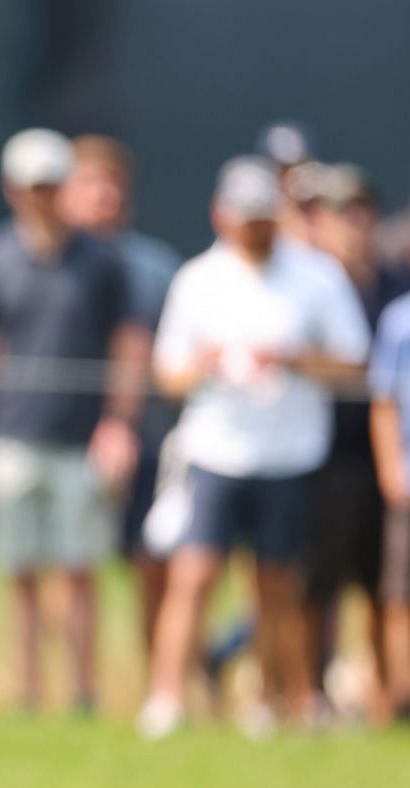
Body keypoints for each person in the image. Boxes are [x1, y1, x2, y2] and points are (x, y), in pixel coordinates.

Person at [137, 158, 370, 739]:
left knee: (277, 585)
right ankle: (165, 698)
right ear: (223, 216)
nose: (256, 230)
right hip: (215, 451)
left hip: (289, 454)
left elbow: (353, 361)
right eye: (246, 219)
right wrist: (211, 363)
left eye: (265, 219)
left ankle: (274, 699)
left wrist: (289, 358)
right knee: (193, 573)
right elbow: (168, 373)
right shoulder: (198, 279)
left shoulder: (316, 276)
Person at [0, 128, 148, 715]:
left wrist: (118, 423)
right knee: (22, 572)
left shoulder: (103, 261)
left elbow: (128, 345)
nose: (40, 196)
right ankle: (28, 690)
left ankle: (83, 692)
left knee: (80, 570)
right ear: (13, 190)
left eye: (50, 185)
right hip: (13, 435)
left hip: (82, 441)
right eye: (31, 186)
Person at [59, 134, 184, 679]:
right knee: (67, 566)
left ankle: (161, 683)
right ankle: (75, 687)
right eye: (90, 182)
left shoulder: (155, 267)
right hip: (61, 439)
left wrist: (127, 424)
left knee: (154, 563)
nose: (102, 195)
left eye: (113, 183)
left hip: (148, 442)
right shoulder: (47, 264)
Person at [298, 165, 410, 718]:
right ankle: (312, 692)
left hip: (381, 460)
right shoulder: (310, 283)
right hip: (324, 454)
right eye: (343, 214)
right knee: (319, 583)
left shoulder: (394, 283)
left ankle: (385, 697)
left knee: (381, 585)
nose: (354, 225)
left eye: (363, 213)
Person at [370, 286, 410, 716]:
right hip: (409, 480)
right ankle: (403, 697)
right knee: (402, 595)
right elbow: (383, 399)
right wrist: (391, 470)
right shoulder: (400, 319)